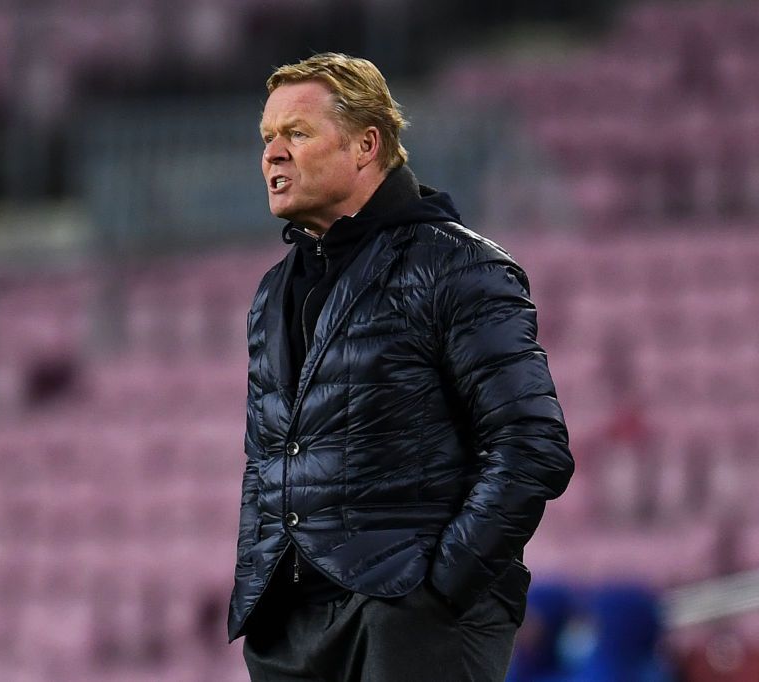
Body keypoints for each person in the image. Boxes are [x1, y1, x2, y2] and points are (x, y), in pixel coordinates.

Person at [229, 52, 574, 681]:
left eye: (297, 134)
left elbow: (533, 445)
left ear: (366, 145)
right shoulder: (272, 293)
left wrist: (439, 590)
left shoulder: (460, 267)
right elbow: (267, 458)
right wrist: (263, 590)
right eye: (268, 138)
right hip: (291, 630)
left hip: (409, 617)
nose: (273, 154)